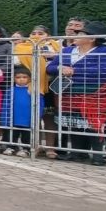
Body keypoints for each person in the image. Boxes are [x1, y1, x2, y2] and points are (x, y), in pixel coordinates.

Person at [46, 21, 106, 166]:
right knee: (74, 121)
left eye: (81, 33)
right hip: (69, 92)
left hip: (93, 92)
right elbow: (50, 68)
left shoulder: (104, 51)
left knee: (93, 123)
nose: (76, 35)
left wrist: (75, 71)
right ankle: (77, 153)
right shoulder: (66, 51)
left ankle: (97, 155)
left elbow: (104, 72)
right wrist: (60, 67)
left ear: (92, 38)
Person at [15, 25, 63, 157]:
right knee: (34, 117)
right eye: (33, 32)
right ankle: (35, 145)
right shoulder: (22, 47)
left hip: (51, 85)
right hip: (30, 85)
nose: (36, 35)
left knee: (49, 118)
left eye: (40, 33)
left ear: (48, 35)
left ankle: (50, 148)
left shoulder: (56, 47)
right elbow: (17, 63)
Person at [0, 65, 43, 157]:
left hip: (28, 119)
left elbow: (40, 105)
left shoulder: (34, 91)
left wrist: (37, 117)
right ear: (14, 78)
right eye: (18, 77)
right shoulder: (10, 90)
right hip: (13, 118)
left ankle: (26, 149)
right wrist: (4, 119)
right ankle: (10, 147)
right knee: (11, 134)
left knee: (27, 135)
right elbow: (5, 105)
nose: (21, 79)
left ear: (30, 78)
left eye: (24, 77)